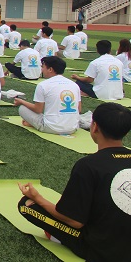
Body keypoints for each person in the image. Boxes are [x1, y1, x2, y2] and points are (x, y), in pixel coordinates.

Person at [17, 102, 131, 261]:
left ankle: (58, 236)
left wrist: (38, 199)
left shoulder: (89, 165)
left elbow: (74, 221)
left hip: (102, 249)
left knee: (26, 205)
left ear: (95, 127)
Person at [14, 56, 81, 135]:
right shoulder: (74, 85)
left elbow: (38, 109)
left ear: (50, 69)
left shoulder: (43, 85)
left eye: (43, 67)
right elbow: (78, 109)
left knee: (22, 108)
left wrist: (21, 101)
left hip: (51, 128)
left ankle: (34, 123)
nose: (42, 70)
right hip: (73, 128)